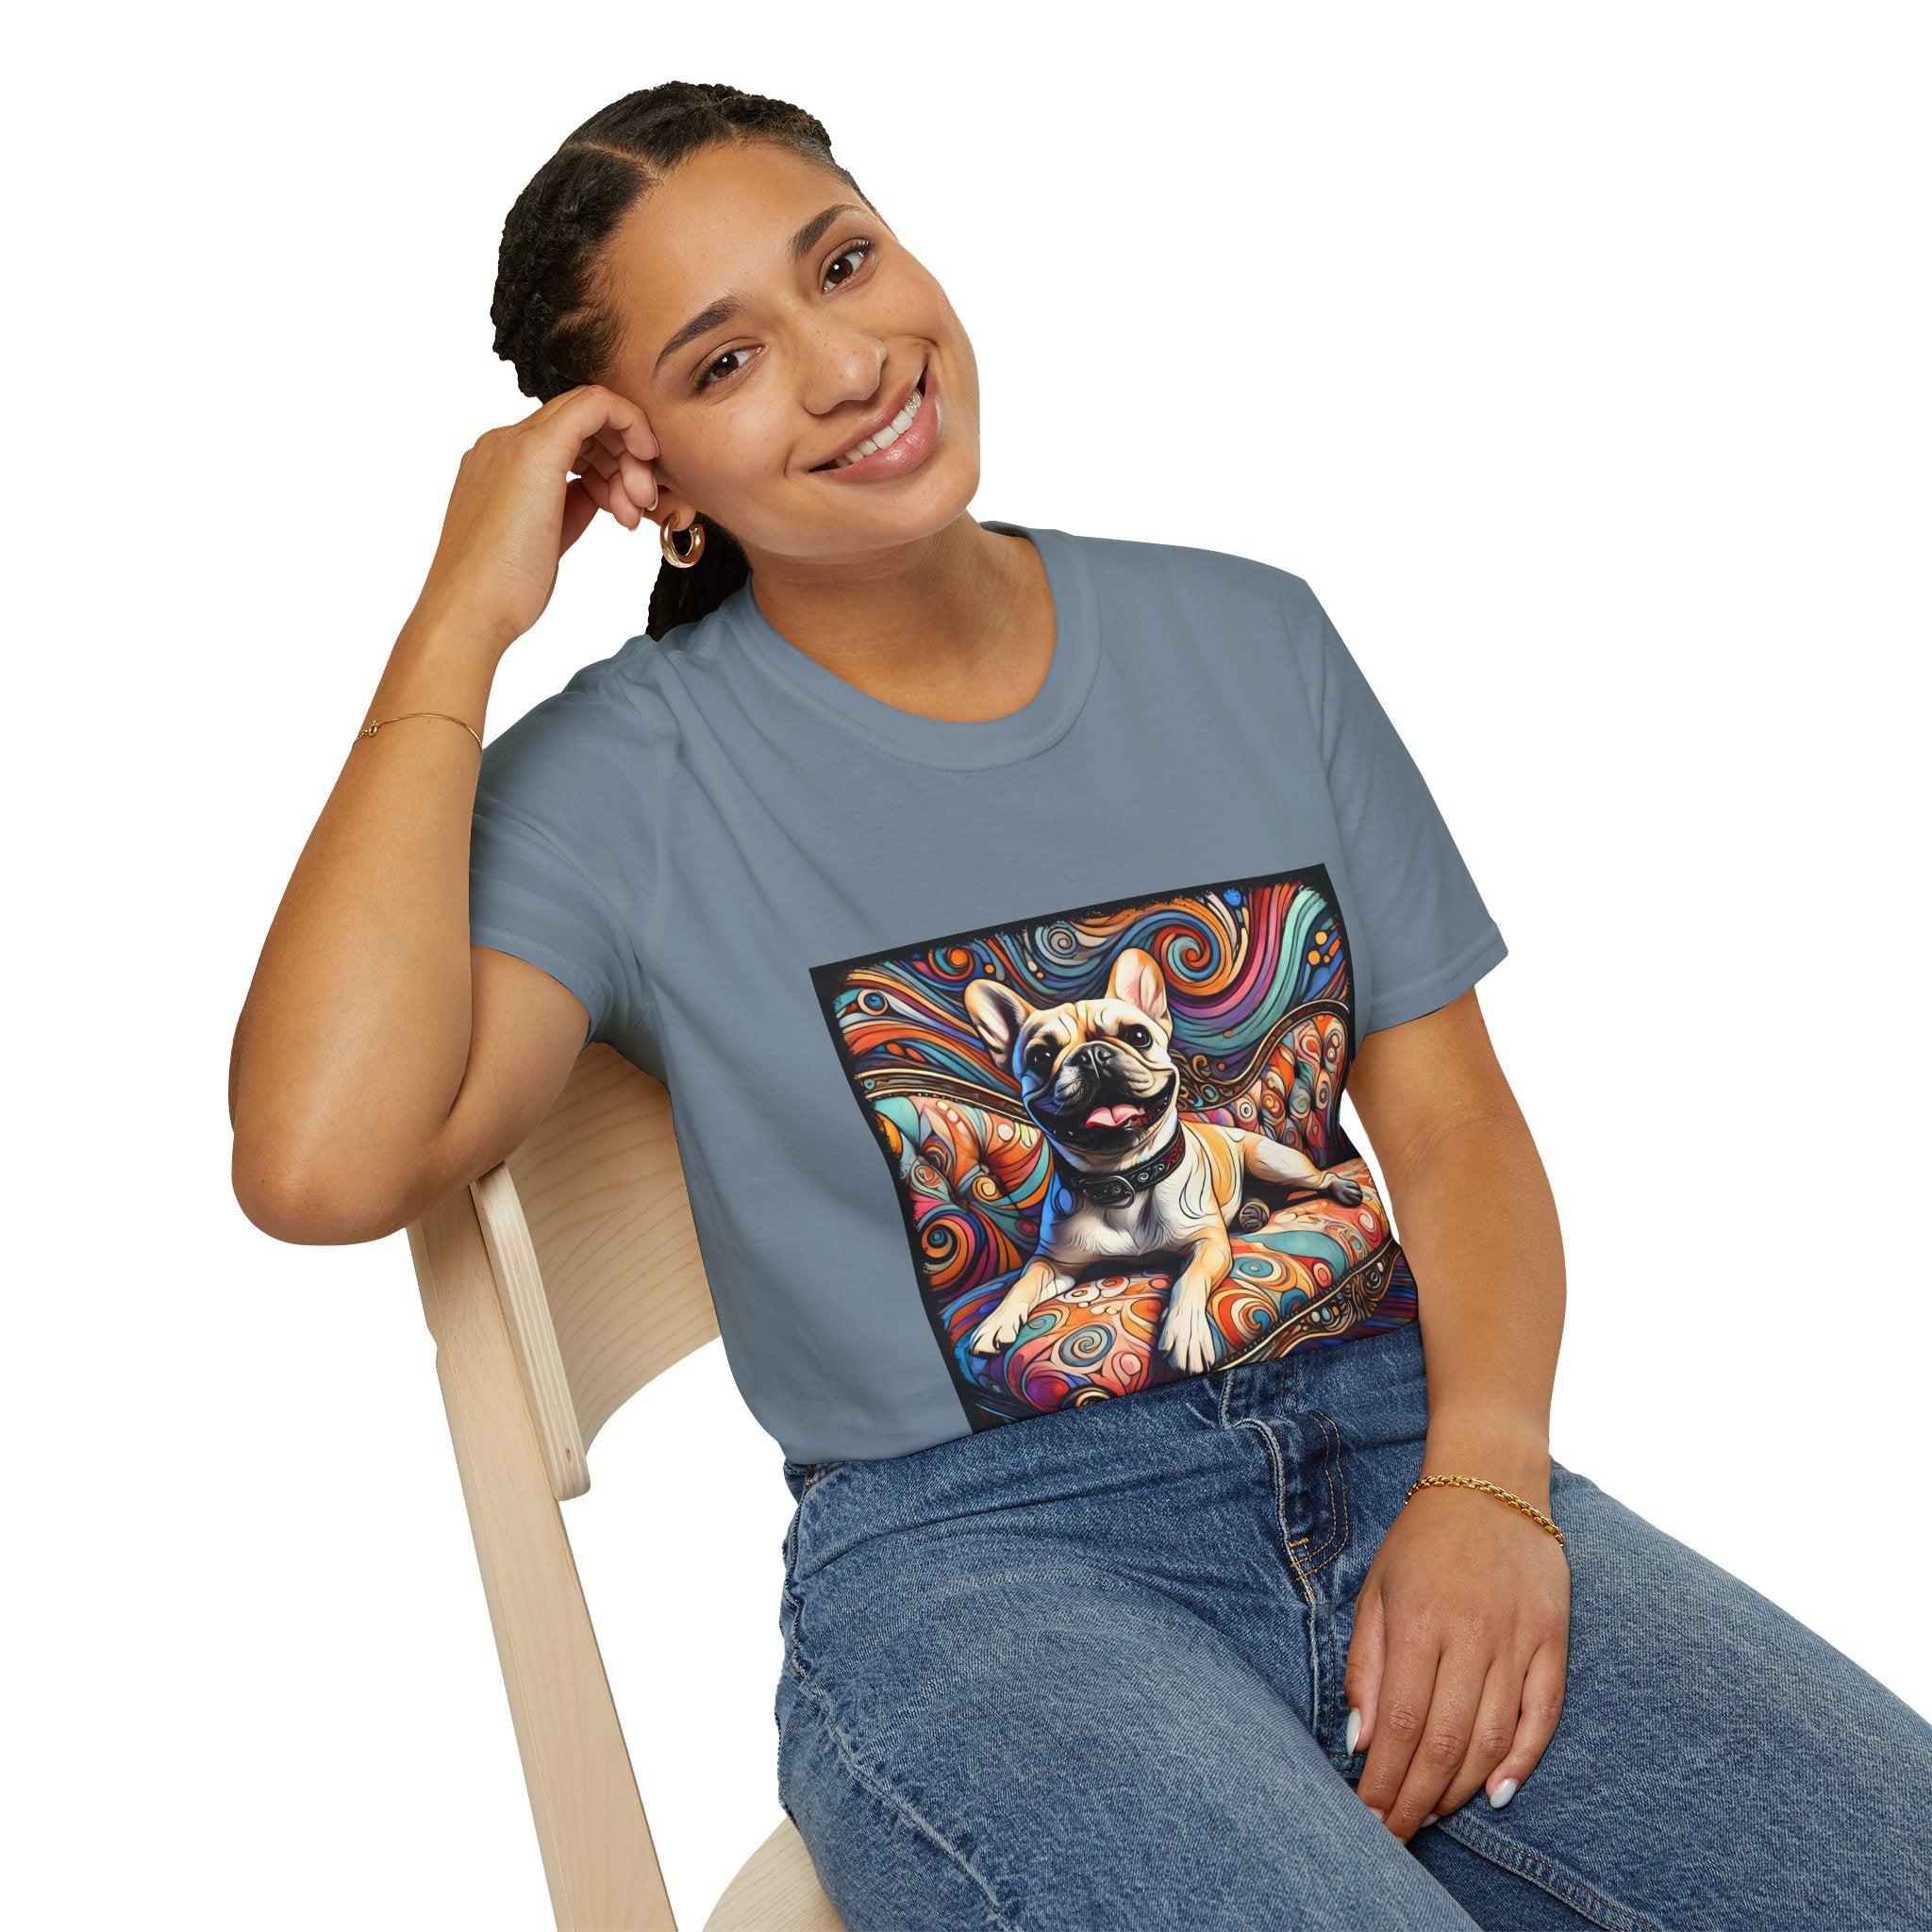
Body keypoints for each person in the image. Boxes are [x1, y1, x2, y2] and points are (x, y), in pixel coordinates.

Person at [228, 80, 1932, 1931]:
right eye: (725, 362)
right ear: (650, 482)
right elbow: (320, 1159)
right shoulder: (629, 777)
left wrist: (1490, 1486)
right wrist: (456, 619)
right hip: (985, 1570)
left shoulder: (1249, 640)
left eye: (845, 263)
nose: (845, 361)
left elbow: (1446, 1129)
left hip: (1401, 1443)